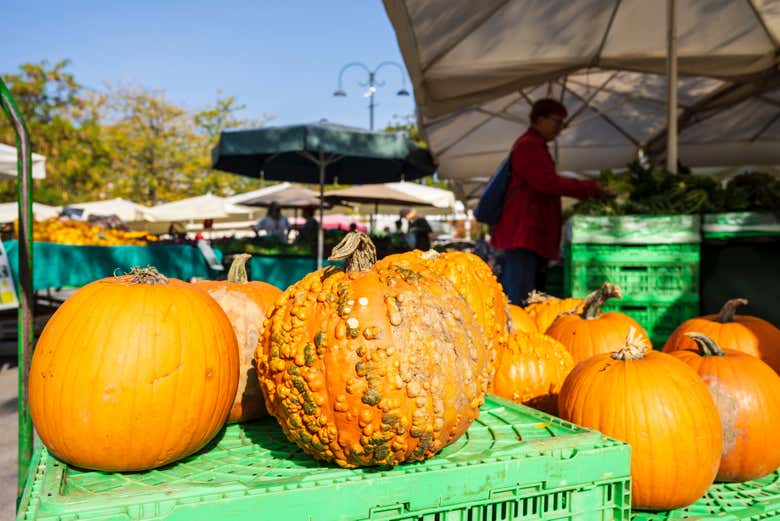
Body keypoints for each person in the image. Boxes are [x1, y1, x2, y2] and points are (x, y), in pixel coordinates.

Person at [491, 98, 610, 305]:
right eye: (557, 121)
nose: (560, 128)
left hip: (529, 234)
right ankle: (517, 335)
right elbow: (546, 183)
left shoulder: (535, 145)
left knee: (528, 297)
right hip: (523, 234)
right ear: (540, 119)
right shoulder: (528, 145)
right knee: (521, 299)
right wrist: (590, 188)